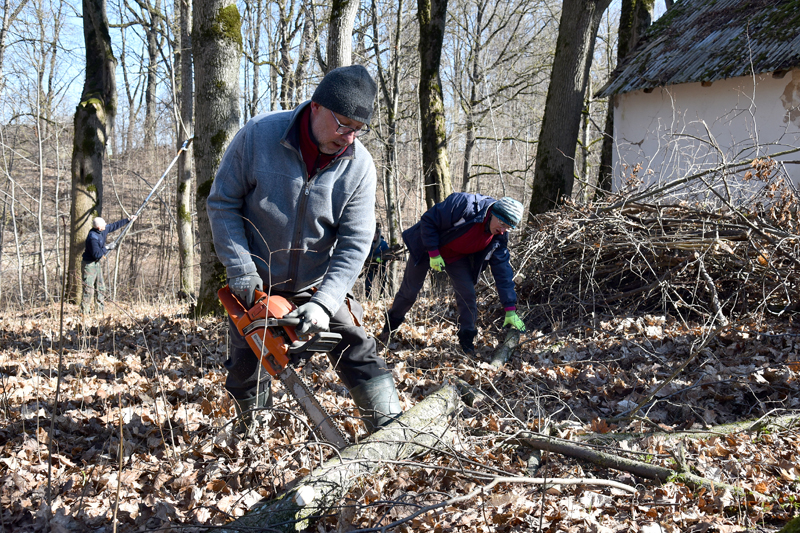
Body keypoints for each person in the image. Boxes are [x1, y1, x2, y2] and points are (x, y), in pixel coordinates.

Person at [207, 65, 402, 435]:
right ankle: (251, 437)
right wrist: (242, 271)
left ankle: (391, 432)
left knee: (357, 346)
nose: (348, 137)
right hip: (256, 278)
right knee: (246, 365)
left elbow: (356, 241)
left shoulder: (359, 166)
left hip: (315, 281)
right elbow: (222, 203)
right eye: (343, 124)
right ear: (316, 106)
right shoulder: (259, 135)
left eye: (358, 129)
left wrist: (325, 303)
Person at [379, 193, 526, 354]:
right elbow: (429, 220)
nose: (503, 231)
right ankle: (388, 330)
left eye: (508, 227)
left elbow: (502, 271)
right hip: (427, 246)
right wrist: (433, 253)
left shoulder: (498, 237)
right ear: (493, 214)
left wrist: (510, 307)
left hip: (456, 256)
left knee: (467, 294)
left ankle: (467, 343)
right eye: (502, 224)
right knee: (409, 292)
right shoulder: (465, 205)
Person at [81, 214, 137, 314]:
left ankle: (100, 311)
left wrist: (128, 220)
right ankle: (84, 313)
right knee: (88, 289)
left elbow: (114, 225)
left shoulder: (103, 229)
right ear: (99, 227)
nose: (106, 224)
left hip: (96, 263)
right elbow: (97, 254)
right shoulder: (92, 237)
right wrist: (107, 247)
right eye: (104, 224)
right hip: (89, 265)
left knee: (100, 287)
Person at [364, 223, 389, 298]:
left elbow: (387, 255)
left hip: (381, 264)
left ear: (378, 234)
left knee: (383, 279)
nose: (373, 236)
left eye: (374, 234)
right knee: (368, 281)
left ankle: (381, 297)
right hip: (370, 265)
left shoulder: (383, 243)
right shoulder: (368, 243)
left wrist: (380, 260)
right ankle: (368, 298)